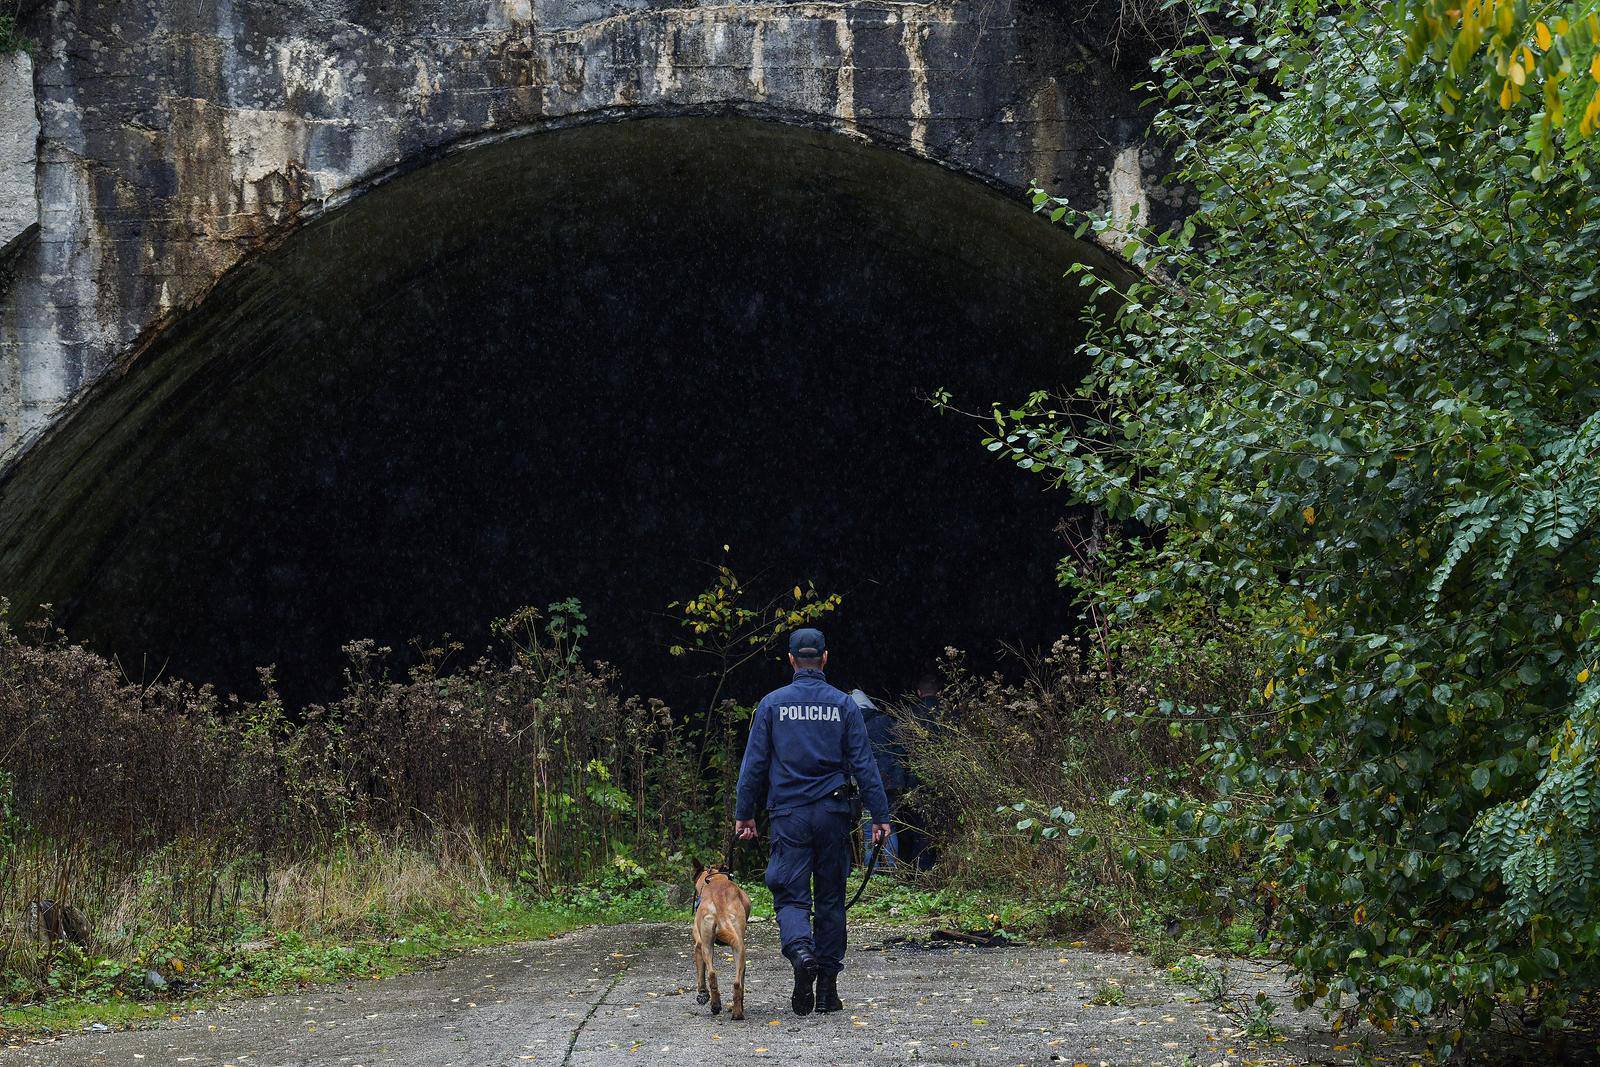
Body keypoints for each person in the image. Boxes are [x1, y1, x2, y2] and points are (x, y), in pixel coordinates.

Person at [734, 627, 891, 1018]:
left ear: (790, 660)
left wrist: (745, 813)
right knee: (831, 899)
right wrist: (880, 816)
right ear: (824, 659)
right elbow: (865, 764)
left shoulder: (772, 705)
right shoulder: (843, 705)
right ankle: (827, 991)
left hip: (788, 816)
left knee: (790, 895)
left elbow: (753, 764)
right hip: (833, 815)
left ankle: (802, 953)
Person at [851, 688, 905, 867]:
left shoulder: (853, 724)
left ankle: (871, 874)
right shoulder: (887, 721)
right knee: (890, 828)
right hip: (891, 785)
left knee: (868, 831)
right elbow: (900, 753)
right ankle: (893, 871)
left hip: (866, 785)